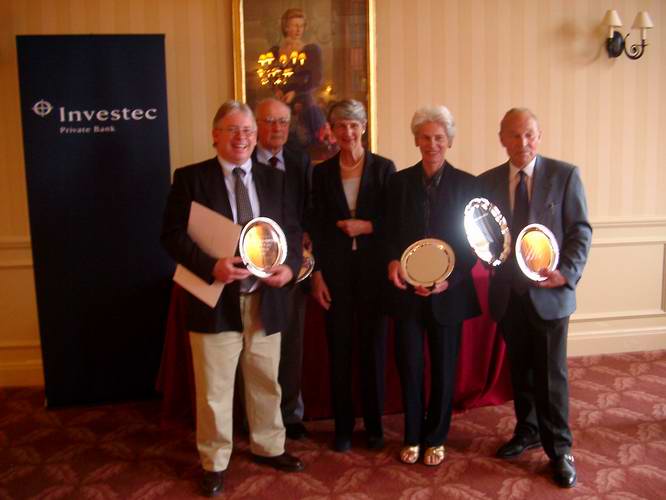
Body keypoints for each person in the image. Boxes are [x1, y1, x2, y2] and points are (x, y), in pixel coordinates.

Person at [161, 100, 304, 497]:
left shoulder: (276, 180)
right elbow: (171, 236)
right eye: (232, 129)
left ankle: (269, 446)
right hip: (214, 299)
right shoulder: (190, 178)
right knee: (214, 388)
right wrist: (211, 266)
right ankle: (215, 461)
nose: (241, 137)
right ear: (215, 135)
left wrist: (290, 268)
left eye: (248, 131)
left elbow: (292, 232)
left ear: (256, 137)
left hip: (265, 299)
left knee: (266, 379)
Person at [478, 108, 592, 488]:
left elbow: (580, 231)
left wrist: (567, 273)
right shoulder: (488, 182)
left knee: (551, 375)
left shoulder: (565, 175)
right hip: (509, 294)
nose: (522, 142)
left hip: (550, 293)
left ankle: (560, 450)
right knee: (521, 369)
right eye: (514, 135)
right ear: (502, 139)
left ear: (539, 136)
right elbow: (483, 235)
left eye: (529, 134)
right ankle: (526, 430)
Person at [386, 105, 480, 467]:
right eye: (425, 137)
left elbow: (473, 244)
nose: (432, 144)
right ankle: (412, 434)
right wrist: (393, 261)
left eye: (439, 137)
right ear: (416, 140)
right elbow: (388, 234)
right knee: (410, 366)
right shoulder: (398, 183)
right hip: (406, 293)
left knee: (443, 368)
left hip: (447, 294)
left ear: (449, 141)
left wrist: (449, 281)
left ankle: (436, 436)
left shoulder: (468, 185)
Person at [310, 99, 395, 452]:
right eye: (340, 125)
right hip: (336, 275)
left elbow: (395, 221)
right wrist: (316, 274)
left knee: (373, 351)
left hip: (374, 274)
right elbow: (316, 226)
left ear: (364, 127)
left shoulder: (384, 169)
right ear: (331, 130)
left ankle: (374, 426)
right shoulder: (321, 173)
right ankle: (343, 427)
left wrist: (367, 226)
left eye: (353, 125)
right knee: (340, 351)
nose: (347, 132)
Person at [252, 97, 311, 440]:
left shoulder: (300, 161)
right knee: (256, 348)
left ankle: (289, 415)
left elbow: (307, 210)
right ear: (256, 125)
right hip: (251, 265)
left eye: (283, 122)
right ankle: (258, 417)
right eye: (270, 121)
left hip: (291, 269)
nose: (277, 128)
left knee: (291, 345)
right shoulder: (243, 160)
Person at [271, 7, 327, 153]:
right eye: (295, 25)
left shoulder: (311, 50)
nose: (298, 30)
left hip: (304, 106)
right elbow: (270, 76)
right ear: (286, 27)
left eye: (301, 26)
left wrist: (295, 93)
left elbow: (316, 80)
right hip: (281, 105)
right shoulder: (275, 52)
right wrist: (276, 90)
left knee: (305, 145)